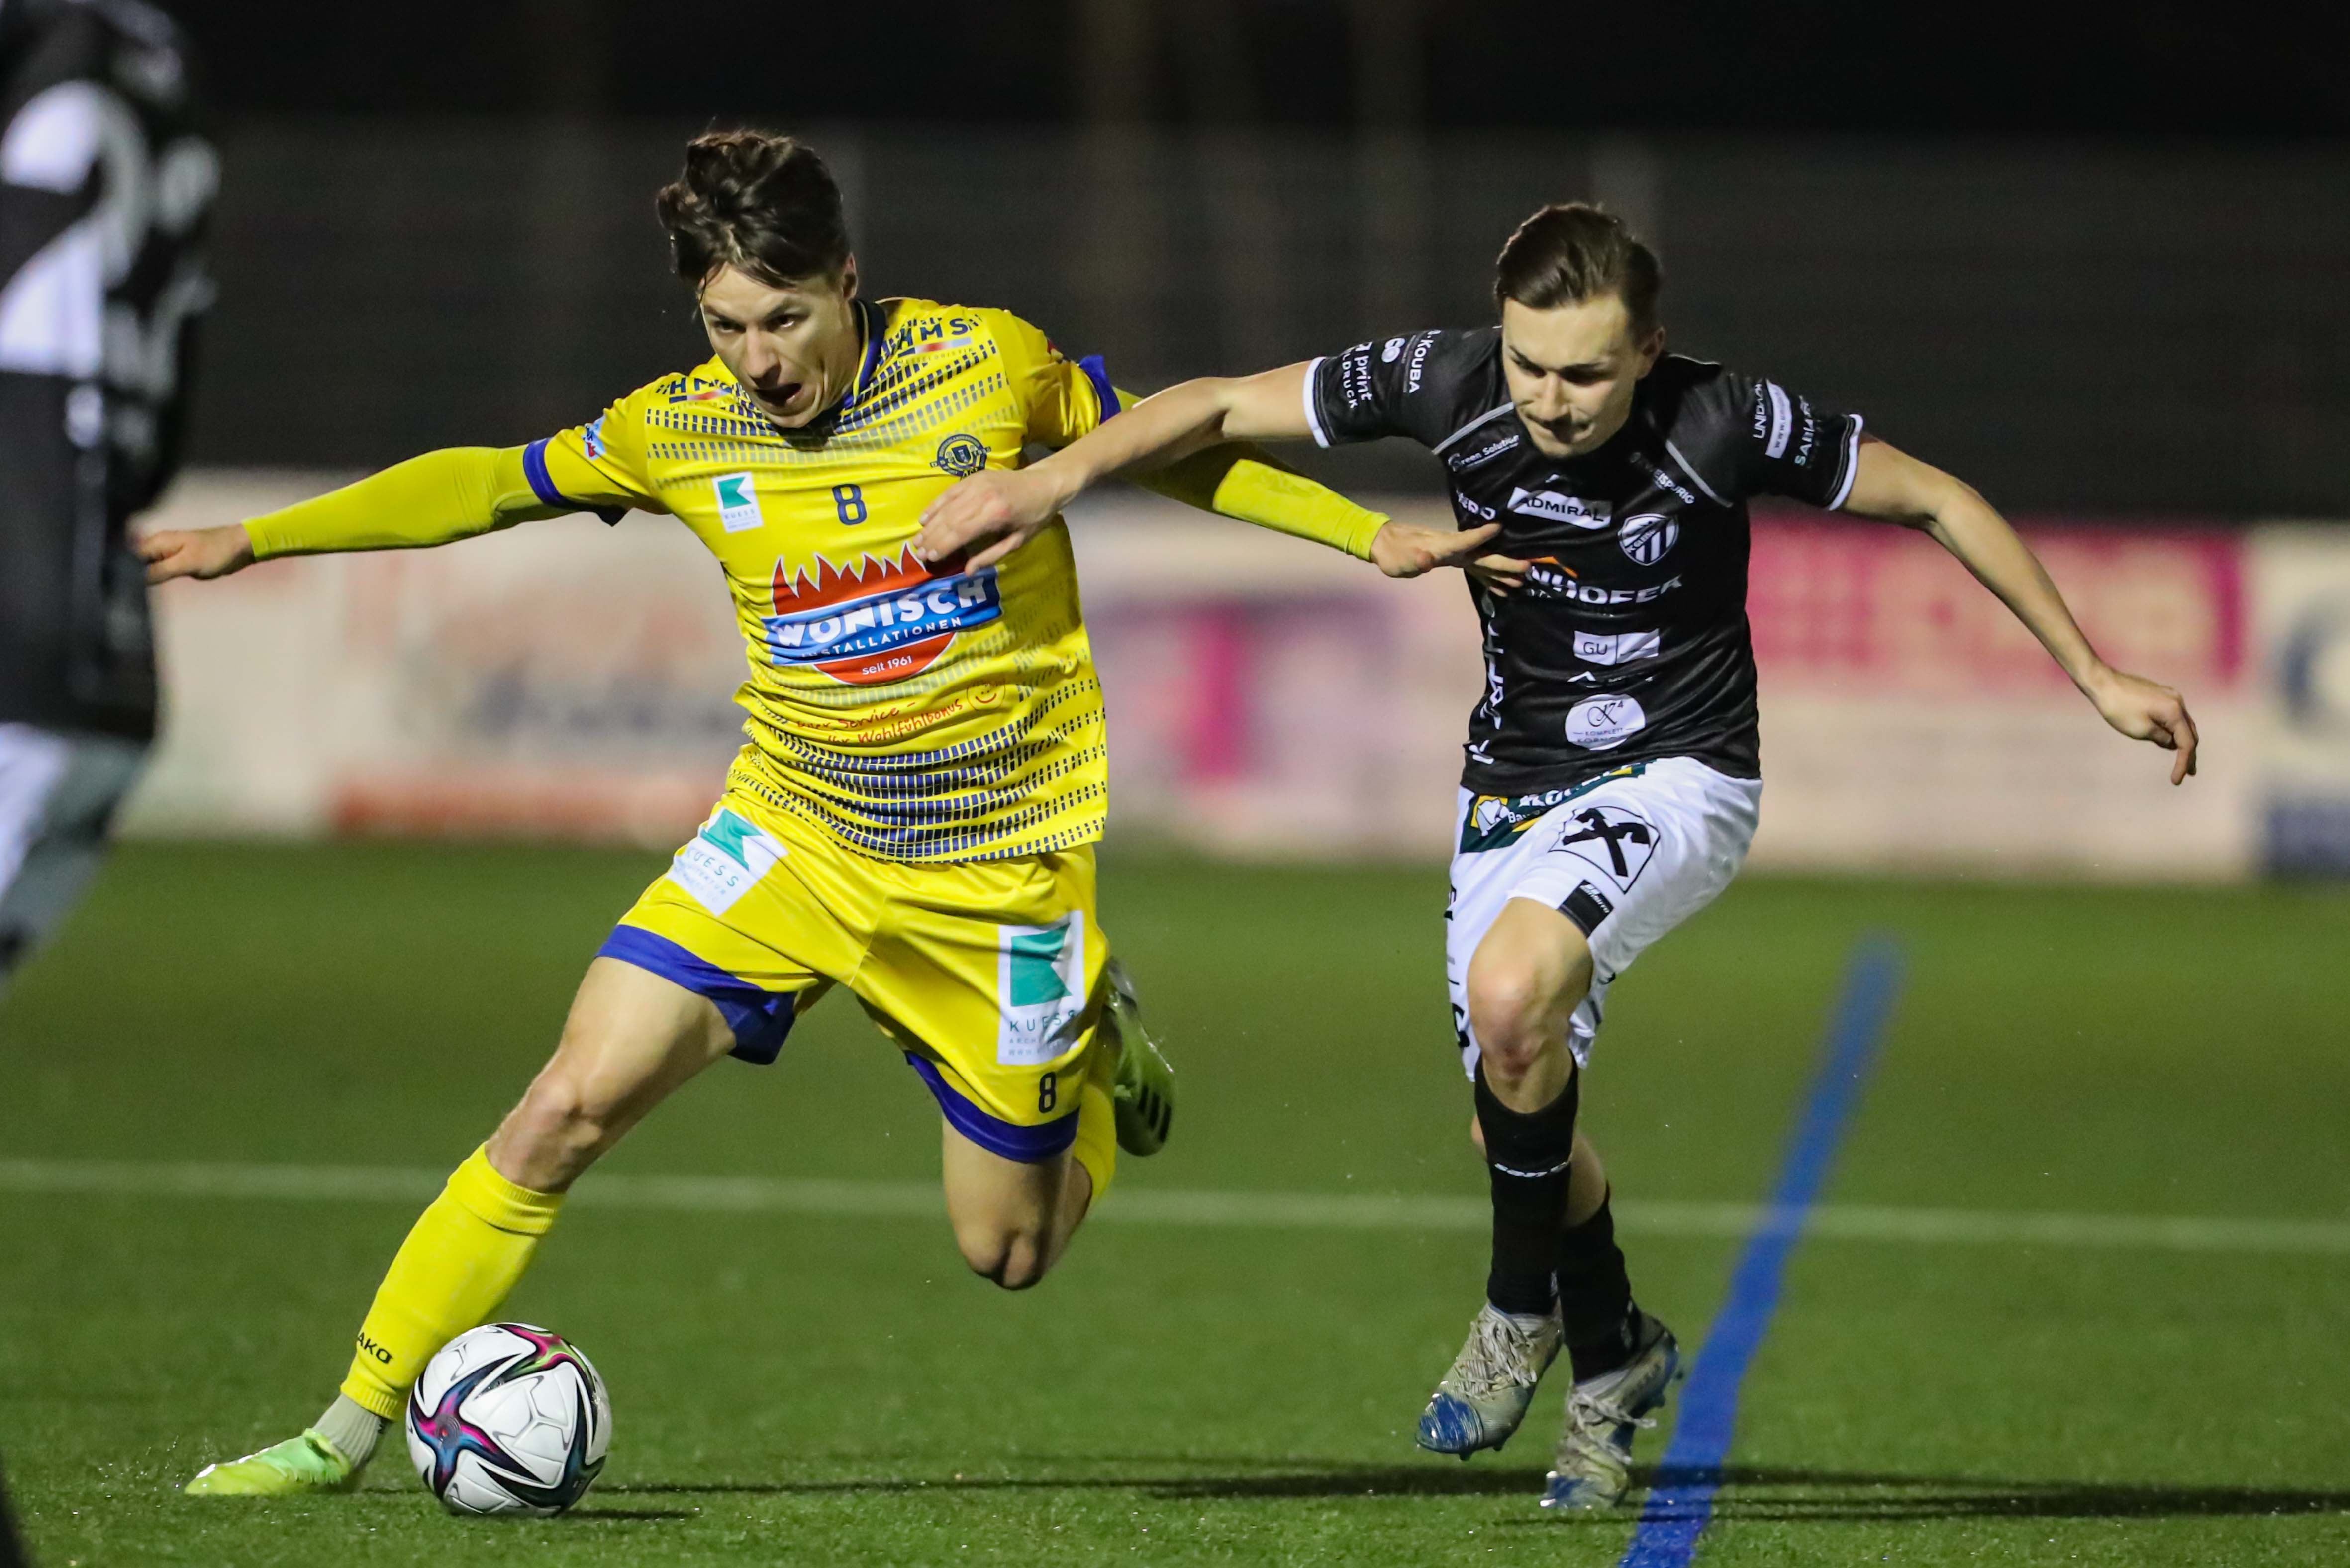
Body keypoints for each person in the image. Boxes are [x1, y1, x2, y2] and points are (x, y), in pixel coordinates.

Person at [146, 128, 1487, 1498]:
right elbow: (491, 481)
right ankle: (343, 1431)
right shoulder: (678, 429)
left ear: (847, 280)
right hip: (791, 840)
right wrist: (258, 536)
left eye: (784, 317)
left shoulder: (986, 364)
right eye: (727, 325)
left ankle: (1093, 1050)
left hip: (994, 876)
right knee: (562, 1107)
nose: (759, 357)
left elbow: (1184, 448)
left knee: (1008, 1252)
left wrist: (1356, 532)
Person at [913, 201, 2200, 1515]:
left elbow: (1933, 497)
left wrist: (2091, 672)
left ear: (1648, 350)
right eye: (1529, 364)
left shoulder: (1725, 419)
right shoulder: (1444, 381)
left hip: (1681, 775)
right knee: (1514, 1103)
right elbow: (1218, 407)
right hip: (1509, 789)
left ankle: (1515, 1313)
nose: (1549, 397)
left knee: (1515, 994)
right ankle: (1620, 1354)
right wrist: (1043, 480)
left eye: (1584, 370)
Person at [1, 0, 212, 1554]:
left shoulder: (58, 105)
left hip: (22, 627)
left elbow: (37, 382)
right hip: (98, 650)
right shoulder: (162, 104)